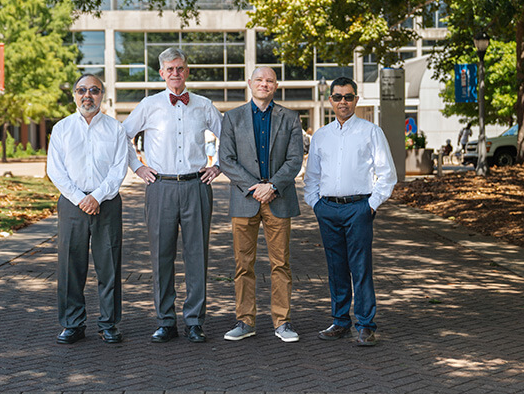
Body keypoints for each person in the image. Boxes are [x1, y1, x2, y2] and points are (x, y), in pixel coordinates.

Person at [122, 47, 222, 343]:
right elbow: (124, 135)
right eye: (170, 69)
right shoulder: (149, 105)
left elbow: (228, 136)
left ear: (186, 71)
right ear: (162, 73)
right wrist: (137, 168)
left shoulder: (204, 105)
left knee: (197, 255)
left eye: (180, 68)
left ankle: (194, 321)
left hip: (196, 186)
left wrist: (218, 166)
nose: (175, 73)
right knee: (161, 256)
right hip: (160, 187)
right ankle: (166, 320)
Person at [303, 76, 396, 347]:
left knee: (361, 268)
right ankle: (340, 321)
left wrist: (370, 206)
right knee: (336, 267)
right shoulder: (321, 136)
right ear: (330, 100)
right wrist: (316, 204)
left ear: (357, 99)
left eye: (348, 96)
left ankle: (365, 324)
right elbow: (312, 176)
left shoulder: (371, 132)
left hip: (358, 207)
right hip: (328, 208)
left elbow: (387, 174)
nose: (343, 101)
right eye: (338, 97)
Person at [218, 67, 304, 343]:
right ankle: (245, 321)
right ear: (249, 83)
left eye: (269, 81)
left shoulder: (290, 118)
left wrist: (273, 186)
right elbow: (226, 159)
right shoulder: (231, 118)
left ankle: (283, 322)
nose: (263, 84)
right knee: (243, 264)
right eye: (259, 80)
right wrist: (254, 187)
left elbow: (294, 159)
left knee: (281, 264)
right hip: (246, 199)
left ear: (276, 86)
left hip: (278, 197)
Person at [46, 74, 129, 345]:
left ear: (102, 95)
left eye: (94, 90)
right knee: (71, 266)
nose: (88, 95)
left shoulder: (116, 129)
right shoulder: (61, 129)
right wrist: (80, 198)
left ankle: (109, 324)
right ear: (74, 95)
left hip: (106, 204)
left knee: (109, 267)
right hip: (72, 205)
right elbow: (55, 170)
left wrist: (96, 196)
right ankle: (72, 324)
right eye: (82, 90)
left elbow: (119, 169)